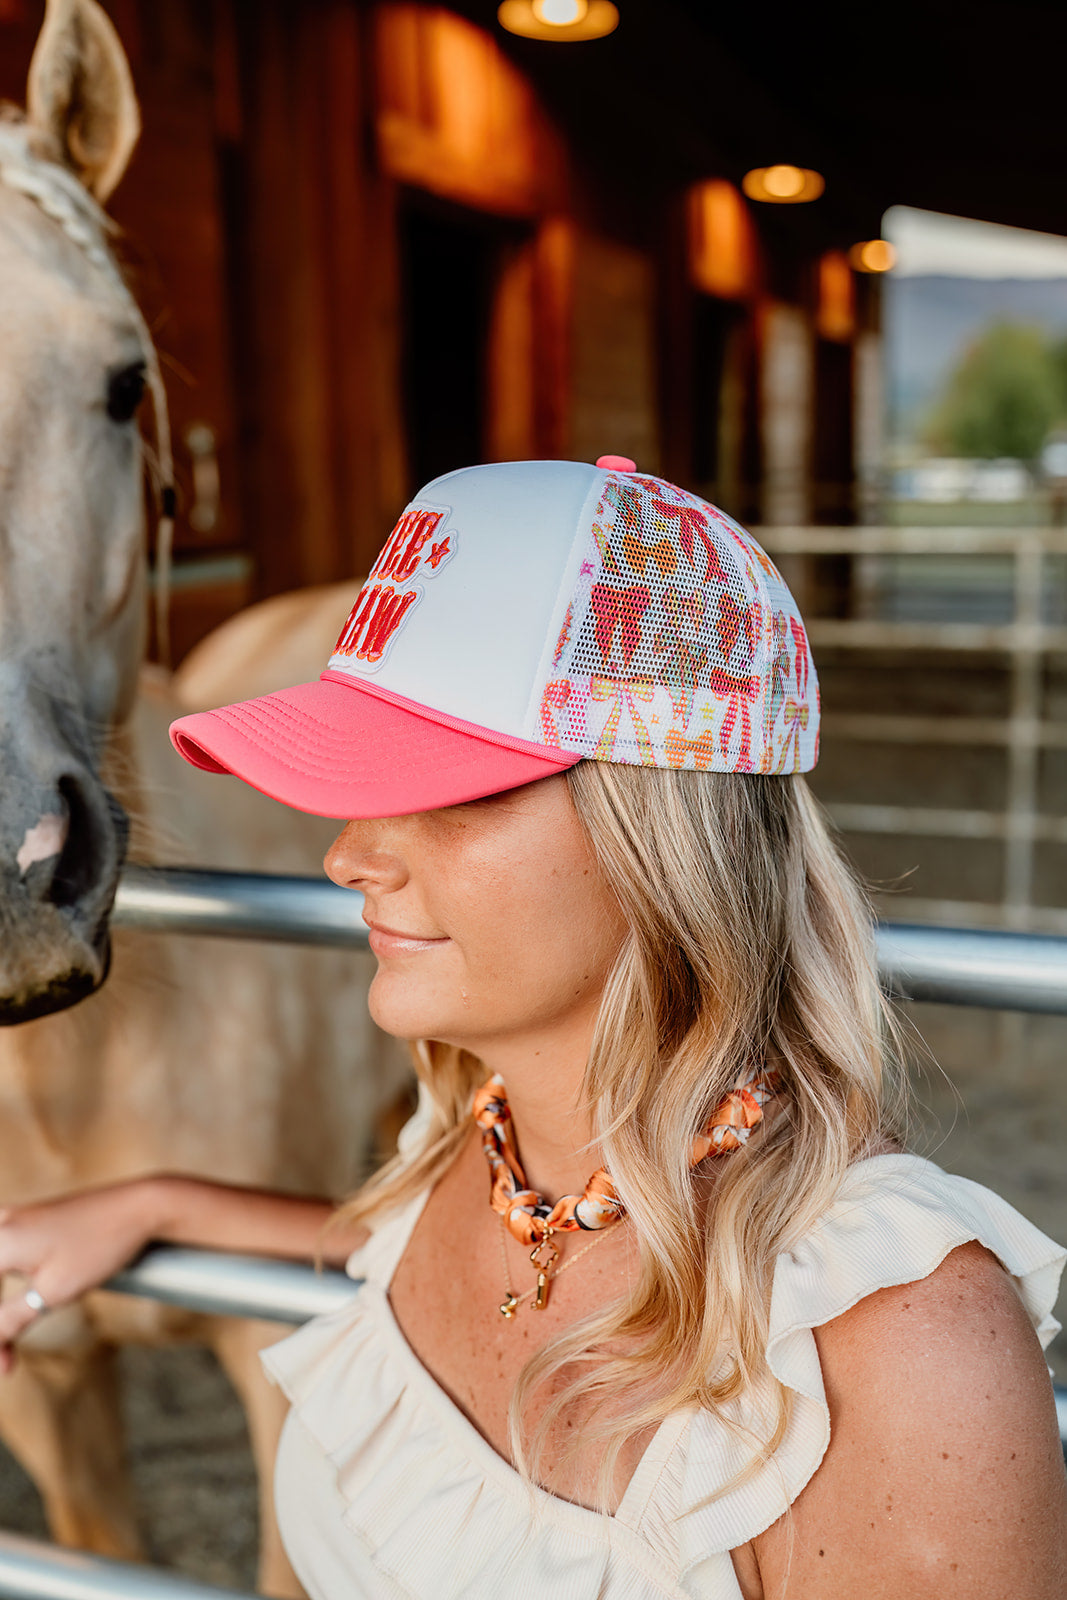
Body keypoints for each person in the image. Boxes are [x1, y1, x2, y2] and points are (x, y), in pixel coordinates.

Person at [0, 457, 1063, 1599]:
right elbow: (416, 1250)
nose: (348, 856)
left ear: (660, 833)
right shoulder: (488, 1133)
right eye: (361, 778)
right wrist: (165, 1203)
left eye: (452, 791)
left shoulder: (901, 1355)